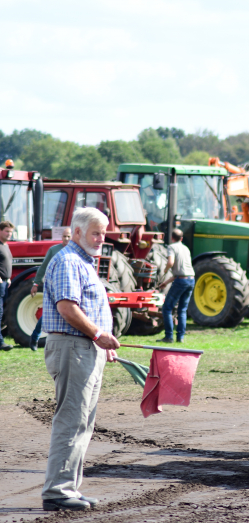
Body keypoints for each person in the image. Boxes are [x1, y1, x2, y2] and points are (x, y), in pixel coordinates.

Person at [40, 207, 120, 512]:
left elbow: (86, 307)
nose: (101, 239)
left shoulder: (83, 262)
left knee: (83, 421)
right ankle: (57, 491)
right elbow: (67, 308)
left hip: (85, 347)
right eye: (95, 233)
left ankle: (69, 488)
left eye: (103, 233)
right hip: (73, 347)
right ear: (76, 232)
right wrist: (98, 334)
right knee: (72, 419)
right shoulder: (68, 261)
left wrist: (103, 343)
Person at [29, 228, 72, 351]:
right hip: (55, 287)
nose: (66, 239)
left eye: (69, 236)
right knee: (50, 313)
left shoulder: (76, 250)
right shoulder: (54, 250)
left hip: (71, 287)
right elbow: (43, 267)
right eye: (64, 236)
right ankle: (35, 337)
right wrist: (36, 283)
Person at [157, 229, 195, 344]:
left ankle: (169, 336)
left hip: (181, 281)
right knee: (182, 310)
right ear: (181, 238)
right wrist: (166, 282)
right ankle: (180, 337)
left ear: (172, 238)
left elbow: (171, 263)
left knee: (167, 308)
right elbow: (183, 271)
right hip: (191, 279)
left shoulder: (172, 247)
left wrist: (165, 270)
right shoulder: (186, 248)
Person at [0, 220, 14, 351]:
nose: (9, 234)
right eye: (6, 231)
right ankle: (0, 342)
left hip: (5, 283)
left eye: (10, 232)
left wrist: (8, 278)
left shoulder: (6, 245)